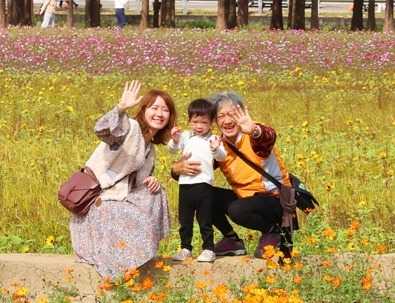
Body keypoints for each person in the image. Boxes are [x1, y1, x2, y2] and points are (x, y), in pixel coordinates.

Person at [70, 80, 175, 278]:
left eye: (165, 110)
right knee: (127, 214)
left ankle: (135, 257)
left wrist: (151, 181)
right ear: (143, 110)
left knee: (156, 193)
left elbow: (133, 184)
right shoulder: (130, 129)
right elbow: (105, 133)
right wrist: (120, 110)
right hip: (97, 198)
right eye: (154, 108)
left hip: (118, 197)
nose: (159, 114)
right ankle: (117, 267)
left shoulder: (150, 148)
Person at [172, 91, 293, 259]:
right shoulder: (219, 144)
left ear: (241, 114)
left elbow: (268, 136)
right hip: (246, 198)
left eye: (231, 115)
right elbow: (198, 170)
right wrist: (176, 169)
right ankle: (232, 239)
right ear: (215, 120)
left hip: (274, 199)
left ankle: (272, 232)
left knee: (237, 209)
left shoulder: (252, 135)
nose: (227, 121)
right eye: (221, 116)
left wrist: (255, 130)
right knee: (203, 193)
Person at [168, 98, 227, 263]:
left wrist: (215, 149)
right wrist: (174, 140)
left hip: (203, 185)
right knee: (184, 221)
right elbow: (172, 150)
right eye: (195, 122)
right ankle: (185, 248)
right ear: (189, 121)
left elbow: (222, 156)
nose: (199, 126)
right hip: (185, 185)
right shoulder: (186, 136)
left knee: (205, 220)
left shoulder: (214, 139)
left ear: (211, 122)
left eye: (204, 122)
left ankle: (208, 249)